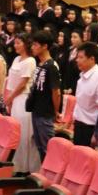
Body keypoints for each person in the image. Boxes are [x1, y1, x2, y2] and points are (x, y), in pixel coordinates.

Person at [4, 34, 38, 173]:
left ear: (26, 44)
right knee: (15, 133)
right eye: (15, 43)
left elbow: (23, 83)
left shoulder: (30, 60)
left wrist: (10, 97)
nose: (15, 45)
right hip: (14, 99)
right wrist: (9, 99)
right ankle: (16, 165)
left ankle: (26, 168)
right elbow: (11, 81)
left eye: (18, 43)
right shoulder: (16, 59)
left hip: (24, 99)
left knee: (24, 133)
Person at [26, 31, 61, 161]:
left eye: (35, 45)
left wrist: (55, 111)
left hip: (45, 112)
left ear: (45, 46)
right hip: (36, 109)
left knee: (47, 148)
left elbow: (56, 92)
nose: (32, 47)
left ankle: (50, 173)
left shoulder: (52, 66)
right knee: (40, 146)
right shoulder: (40, 64)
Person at [71, 42, 98, 147]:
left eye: (81, 57)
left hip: (91, 128)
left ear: (92, 59)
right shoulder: (82, 76)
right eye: (77, 57)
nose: (77, 60)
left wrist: (97, 133)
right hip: (79, 125)